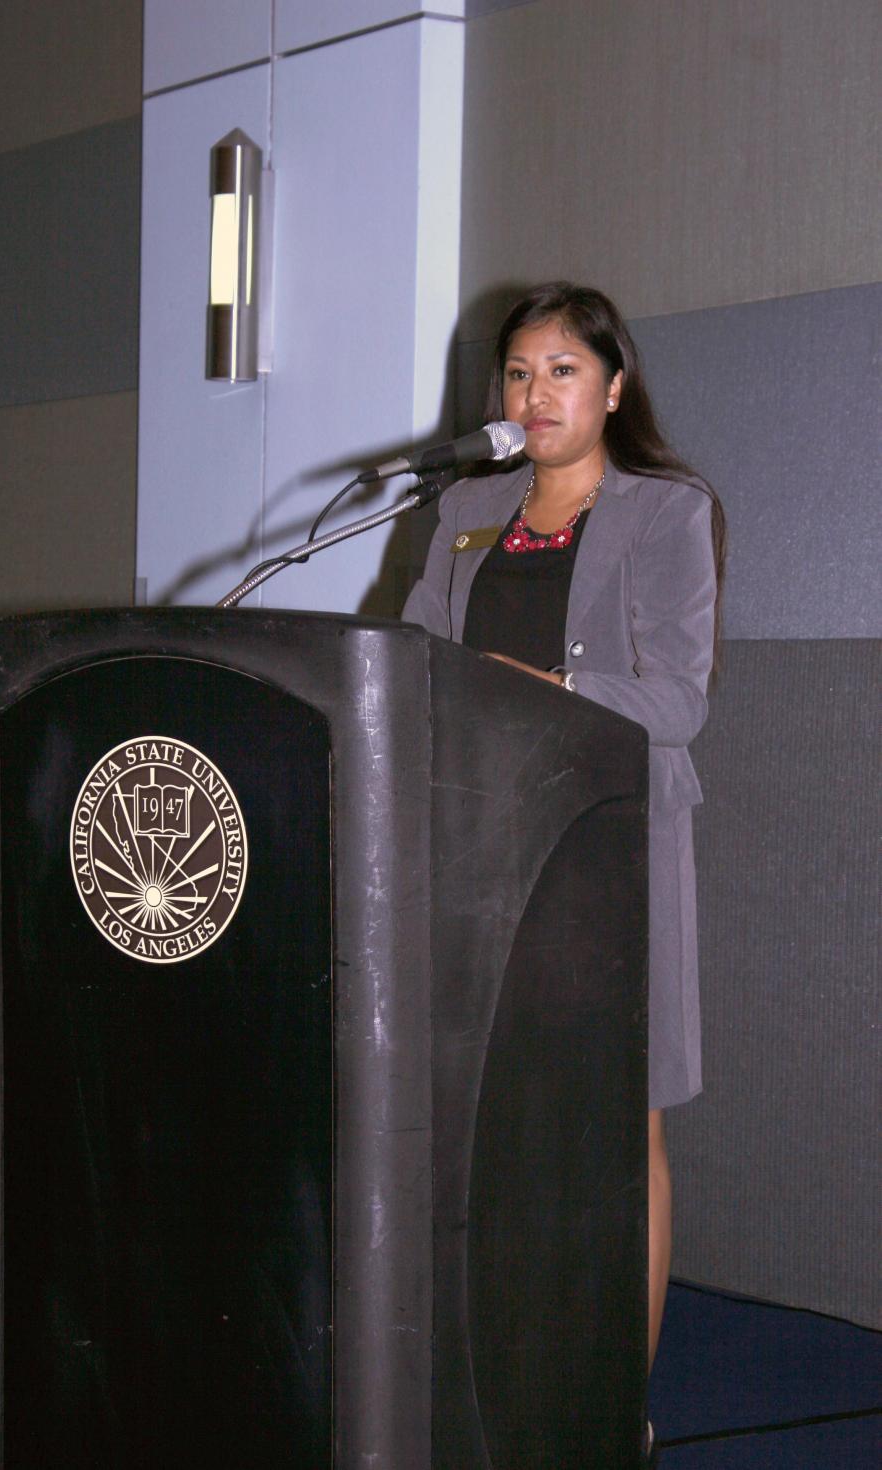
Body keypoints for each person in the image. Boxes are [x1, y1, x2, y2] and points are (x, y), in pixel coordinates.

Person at [402, 281, 725, 1464]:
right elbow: (414, 657)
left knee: (619, 1129)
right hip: (482, 843)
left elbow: (680, 701)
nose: (535, 395)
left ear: (612, 388)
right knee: (490, 1120)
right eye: (518, 373)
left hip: (610, 842)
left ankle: (609, 1410)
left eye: (561, 372)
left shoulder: (663, 512)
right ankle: (496, 1382)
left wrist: (557, 695)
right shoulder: (468, 511)